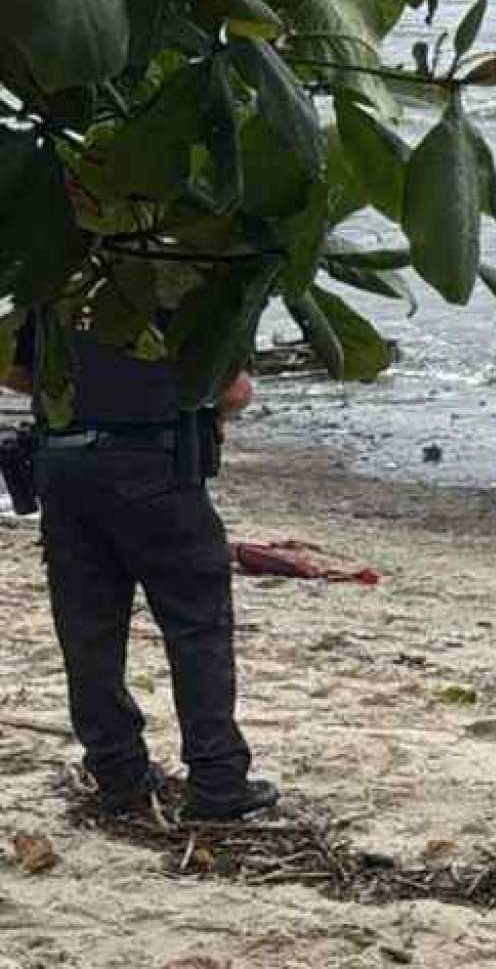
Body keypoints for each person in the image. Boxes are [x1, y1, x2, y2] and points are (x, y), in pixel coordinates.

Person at [5, 321, 278, 820]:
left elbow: (11, 366)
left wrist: (76, 392)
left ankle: (118, 775)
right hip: (154, 461)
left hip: (63, 466)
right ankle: (217, 782)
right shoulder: (180, 277)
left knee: (88, 632)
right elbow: (234, 390)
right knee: (197, 626)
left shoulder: (58, 277)